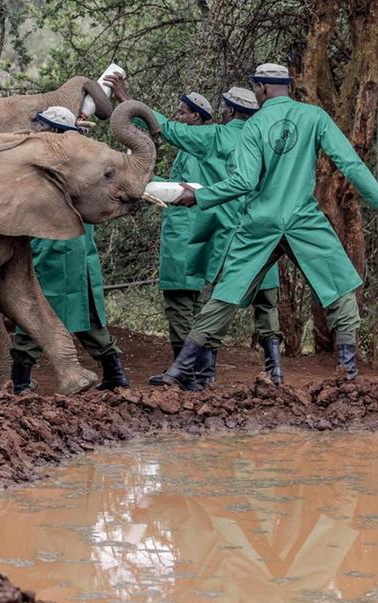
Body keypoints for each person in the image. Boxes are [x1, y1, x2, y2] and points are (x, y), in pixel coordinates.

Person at [157, 63, 378, 389]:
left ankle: (180, 370)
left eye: (256, 87)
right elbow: (349, 161)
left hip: (260, 223)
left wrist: (198, 197)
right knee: (341, 290)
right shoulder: (315, 117)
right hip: (302, 219)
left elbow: (242, 181)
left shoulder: (253, 126)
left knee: (225, 296)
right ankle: (349, 375)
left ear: (262, 88)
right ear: (286, 86)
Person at [109, 77, 284, 386]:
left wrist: (127, 101)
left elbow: (167, 131)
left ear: (227, 112)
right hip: (258, 230)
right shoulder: (268, 142)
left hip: (197, 228)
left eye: (183, 113)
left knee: (185, 297)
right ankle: (267, 371)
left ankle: (190, 372)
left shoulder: (212, 139)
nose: (179, 116)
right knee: (251, 300)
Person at [10, 106, 129, 394]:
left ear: (54, 132)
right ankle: (115, 373)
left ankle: (21, 381)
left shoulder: (51, 164)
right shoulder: (85, 162)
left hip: (53, 244)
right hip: (75, 246)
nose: (37, 131)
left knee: (35, 309)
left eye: (43, 126)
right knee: (83, 313)